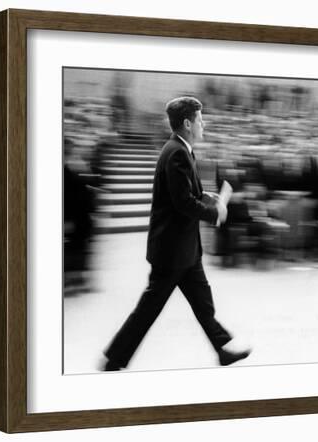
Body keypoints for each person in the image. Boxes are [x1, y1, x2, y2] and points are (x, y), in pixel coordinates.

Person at [100, 96, 251, 371]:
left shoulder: (181, 150)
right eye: (200, 120)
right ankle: (114, 358)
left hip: (184, 250)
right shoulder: (177, 153)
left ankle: (221, 348)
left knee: (202, 301)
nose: (203, 125)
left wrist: (205, 195)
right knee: (149, 309)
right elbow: (182, 203)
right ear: (187, 123)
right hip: (172, 252)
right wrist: (214, 212)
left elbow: (182, 192)